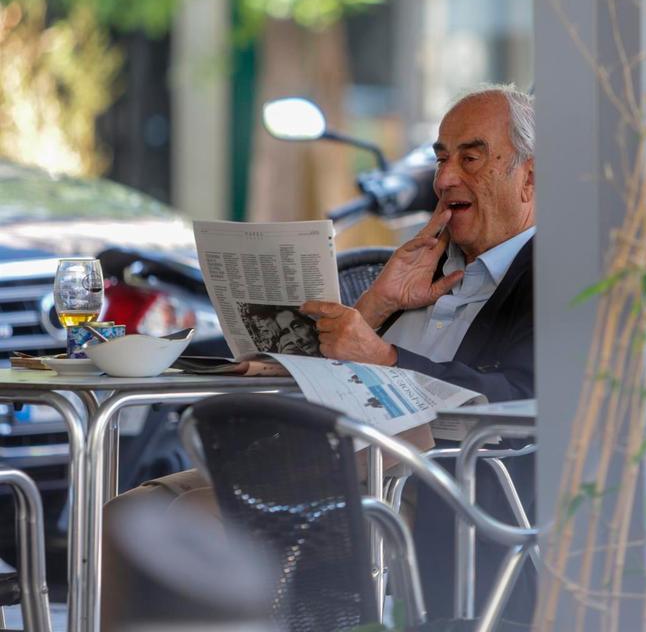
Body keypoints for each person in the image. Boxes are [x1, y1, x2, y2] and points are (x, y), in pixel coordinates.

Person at [100, 85, 537, 626]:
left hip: (436, 483)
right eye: (441, 159)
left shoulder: (550, 273)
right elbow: (347, 366)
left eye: (470, 158)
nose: (444, 180)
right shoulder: (430, 264)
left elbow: (521, 402)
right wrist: (376, 305)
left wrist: (383, 357)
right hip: (334, 454)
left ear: (530, 178)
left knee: (199, 521)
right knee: (128, 516)